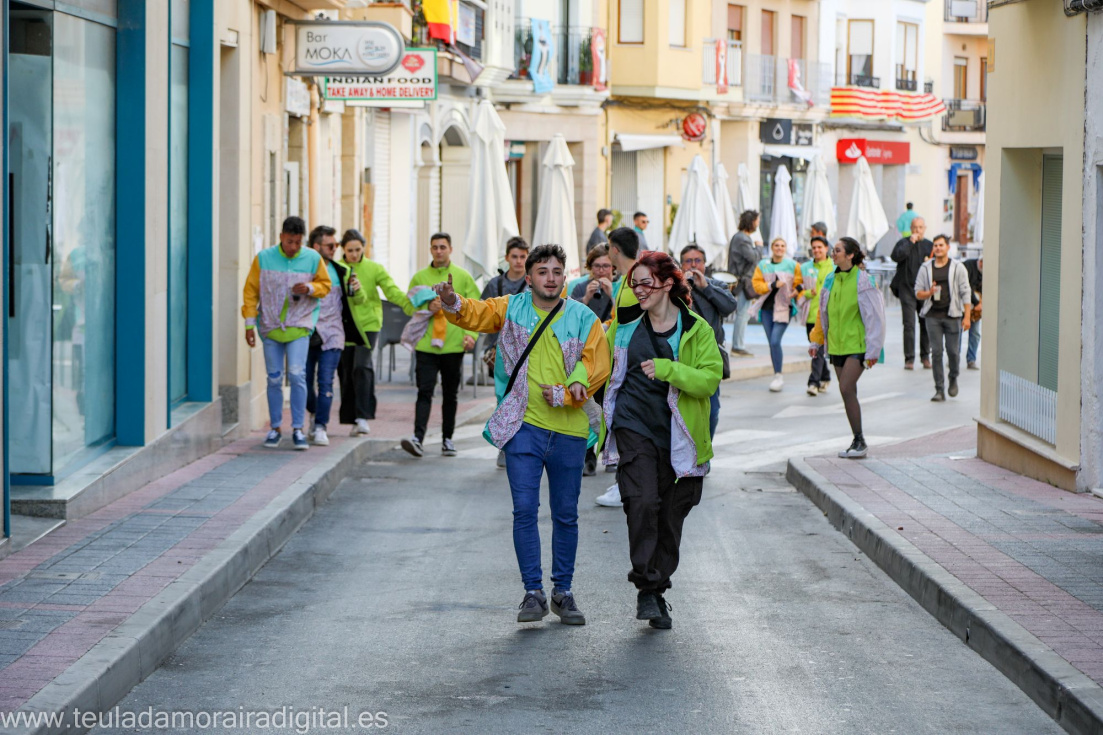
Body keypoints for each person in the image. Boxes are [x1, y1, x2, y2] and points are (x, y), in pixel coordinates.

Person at [434, 244, 611, 626]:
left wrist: (570, 389)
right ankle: (533, 592)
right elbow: (477, 313)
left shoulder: (583, 317)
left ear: (565, 278)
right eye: (543, 271)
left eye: (557, 272)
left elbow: (596, 361)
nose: (551, 278)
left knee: (566, 515)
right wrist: (451, 301)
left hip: (569, 431)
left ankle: (563, 592)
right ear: (528, 277)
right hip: (522, 428)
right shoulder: (511, 307)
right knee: (525, 511)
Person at [601, 251, 722, 630]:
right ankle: (646, 584)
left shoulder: (697, 329)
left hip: (680, 435)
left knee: (670, 514)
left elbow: (709, 379)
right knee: (641, 501)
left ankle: (656, 589)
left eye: (646, 283)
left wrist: (669, 369)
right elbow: (595, 365)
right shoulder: (623, 330)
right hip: (634, 426)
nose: (639, 290)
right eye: (634, 284)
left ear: (667, 284)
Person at [242, 216, 332, 450]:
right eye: (290, 241)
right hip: (270, 326)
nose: (293, 247)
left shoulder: (313, 258)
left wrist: (310, 288)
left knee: (297, 374)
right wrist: (249, 324)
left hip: (299, 325)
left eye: (298, 242)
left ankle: (298, 429)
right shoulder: (263, 258)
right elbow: (251, 292)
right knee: (274, 378)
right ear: (281, 237)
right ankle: (275, 428)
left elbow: (325, 285)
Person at [400, 233, 480, 458]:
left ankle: (447, 439)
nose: (438, 251)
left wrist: (470, 335)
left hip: (453, 346)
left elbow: (475, 308)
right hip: (426, 345)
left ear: (451, 249)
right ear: (430, 249)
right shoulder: (420, 277)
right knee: (424, 391)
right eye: (435, 247)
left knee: (450, 394)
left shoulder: (462, 276)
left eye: (443, 247)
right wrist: (427, 307)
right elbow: (408, 306)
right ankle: (418, 438)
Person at [808, 237, 886, 459]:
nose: (833, 254)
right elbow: (822, 314)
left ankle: (860, 441)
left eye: (838, 250)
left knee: (845, 387)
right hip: (836, 346)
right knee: (848, 392)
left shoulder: (864, 280)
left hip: (857, 345)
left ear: (850, 255)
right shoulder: (830, 280)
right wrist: (816, 340)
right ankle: (857, 440)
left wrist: (873, 350)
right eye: (833, 250)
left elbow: (876, 317)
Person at [337, 229, 412, 436]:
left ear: (364, 248)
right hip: (345, 325)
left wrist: (409, 304)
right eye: (350, 250)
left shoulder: (374, 268)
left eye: (358, 250)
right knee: (346, 370)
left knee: (361, 366)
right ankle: (351, 417)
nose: (354, 254)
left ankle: (363, 416)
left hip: (369, 323)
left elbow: (391, 290)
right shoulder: (337, 269)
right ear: (343, 250)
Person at [594, 227, 644, 507]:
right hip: (623, 365)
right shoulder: (628, 279)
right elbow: (620, 323)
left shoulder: (636, 279)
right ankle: (625, 483)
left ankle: (624, 485)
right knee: (621, 424)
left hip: (631, 367)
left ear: (614, 249)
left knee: (625, 426)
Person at [304, 226, 364, 446]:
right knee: (303, 381)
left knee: (326, 382)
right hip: (307, 332)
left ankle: (321, 426)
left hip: (333, 334)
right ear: (316, 246)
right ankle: (314, 412)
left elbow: (359, 301)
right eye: (330, 245)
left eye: (336, 245)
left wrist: (357, 290)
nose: (334, 249)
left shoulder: (342, 271)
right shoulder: (305, 268)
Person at [680, 244, 737, 438]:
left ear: (705, 264)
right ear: (681, 265)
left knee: (711, 411)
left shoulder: (716, 285)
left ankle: (705, 447)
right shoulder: (674, 286)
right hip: (683, 357)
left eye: (698, 261)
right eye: (688, 261)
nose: (693, 265)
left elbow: (730, 306)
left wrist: (705, 287)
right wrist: (681, 287)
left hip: (709, 358)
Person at [915, 234, 972, 402]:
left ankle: (953, 377)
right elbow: (917, 292)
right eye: (935, 245)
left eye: (941, 245)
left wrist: (967, 317)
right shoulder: (925, 268)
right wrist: (929, 293)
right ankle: (939, 389)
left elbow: (966, 292)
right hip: (932, 316)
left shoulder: (958, 267)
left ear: (948, 247)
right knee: (937, 352)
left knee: (953, 352)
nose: (938, 248)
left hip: (952, 315)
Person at [752, 237, 803, 392]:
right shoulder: (763, 265)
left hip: (784, 308)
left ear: (785, 248)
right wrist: (772, 285)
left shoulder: (793, 265)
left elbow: (800, 283)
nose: (779, 248)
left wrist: (796, 292)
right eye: (776, 245)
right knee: (772, 343)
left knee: (775, 341)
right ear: (772, 247)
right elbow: (756, 285)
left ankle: (778, 376)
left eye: (782, 245)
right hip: (766, 309)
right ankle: (776, 374)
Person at [890, 216, 932, 370]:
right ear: (911, 228)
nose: (917, 230)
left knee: (925, 323)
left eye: (920, 227)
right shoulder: (903, 242)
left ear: (924, 229)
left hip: (924, 291)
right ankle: (909, 359)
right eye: (915, 227)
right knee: (909, 325)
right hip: (906, 289)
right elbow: (896, 256)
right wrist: (910, 242)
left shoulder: (929, 245)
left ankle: (925, 357)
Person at [798, 236, 835, 396]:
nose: (817, 250)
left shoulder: (834, 267)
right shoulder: (805, 267)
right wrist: (807, 293)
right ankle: (825, 376)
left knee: (817, 349)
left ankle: (813, 382)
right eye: (814, 248)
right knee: (817, 349)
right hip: (811, 315)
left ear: (826, 248)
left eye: (819, 247)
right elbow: (797, 287)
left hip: (828, 316)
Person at [727, 210, 760, 357]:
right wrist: (759, 247)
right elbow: (752, 257)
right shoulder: (742, 238)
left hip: (741, 280)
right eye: (757, 220)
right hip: (743, 281)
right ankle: (738, 346)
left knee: (743, 313)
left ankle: (738, 345)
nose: (758, 223)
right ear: (751, 221)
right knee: (743, 314)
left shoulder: (740, 237)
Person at [571, 245, 615, 322]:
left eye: (606, 266)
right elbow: (570, 316)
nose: (601, 270)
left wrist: (613, 295)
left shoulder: (620, 286)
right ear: (591, 267)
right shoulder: (580, 288)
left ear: (613, 267)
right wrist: (585, 299)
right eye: (597, 266)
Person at [963, 255, 983, 370]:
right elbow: (965, 286)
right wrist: (976, 302)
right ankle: (953, 358)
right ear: (980, 262)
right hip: (964, 303)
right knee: (957, 332)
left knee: (975, 333)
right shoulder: (968, 266)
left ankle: (971, 360)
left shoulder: (987, 271)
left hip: (977, 306)